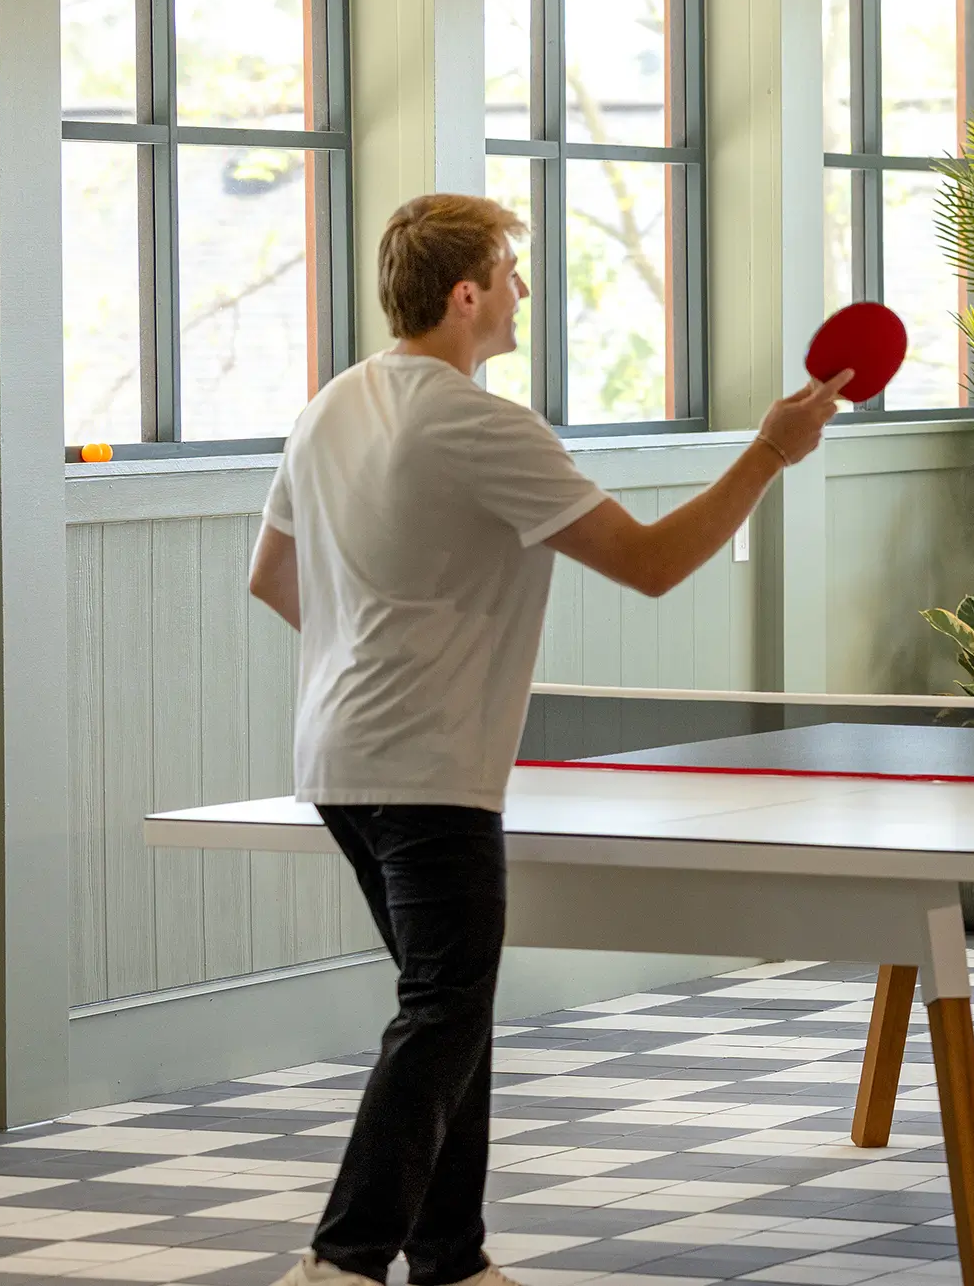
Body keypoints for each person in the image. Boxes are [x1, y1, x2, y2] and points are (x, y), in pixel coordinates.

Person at [251, 194, 847, 1286]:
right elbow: (654, 562)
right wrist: (769, 450)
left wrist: (376, 652)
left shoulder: (329, 405)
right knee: (442, 1008)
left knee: (450, 1002)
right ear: (467, 294)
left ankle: (452, 1258)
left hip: (338, 757)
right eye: (511, 274)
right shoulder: (478, 423)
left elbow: (271, 577)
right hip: (428, 768)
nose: (524, 292)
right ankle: (340, 1263)